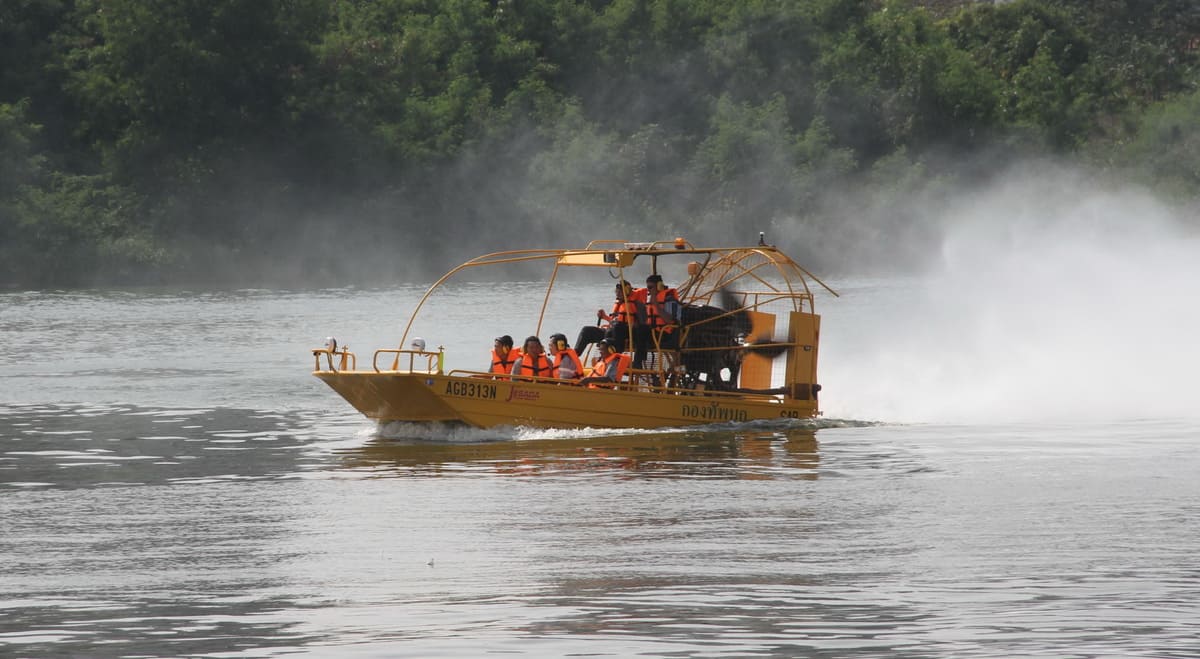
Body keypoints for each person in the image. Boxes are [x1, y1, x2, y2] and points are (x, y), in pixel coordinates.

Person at [575, 280, 642, 355]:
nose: (617, 294)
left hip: (627, 334)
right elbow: (614, 322)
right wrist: (604, 317)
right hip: (611, 332)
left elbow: (639, 323)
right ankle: (574, 356)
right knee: (586, 330)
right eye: (616, 292)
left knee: (616, 327)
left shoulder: (636, 303)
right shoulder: (619, 304)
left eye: (619, 292)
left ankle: (615, 358)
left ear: (626, 291)